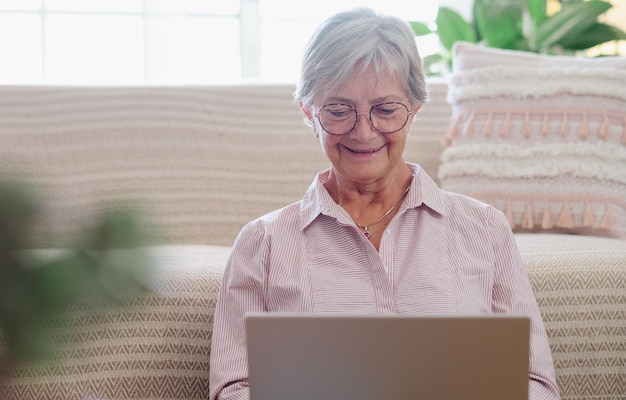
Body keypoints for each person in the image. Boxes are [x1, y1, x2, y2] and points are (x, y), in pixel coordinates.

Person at [209, 7, 560, 400]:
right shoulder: (262, 245)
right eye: (339, 110)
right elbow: (233, 389)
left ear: (415, 110)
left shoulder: (486, 230)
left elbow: (536, 383)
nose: (363, 132)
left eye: (385, 109)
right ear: (308, 113)